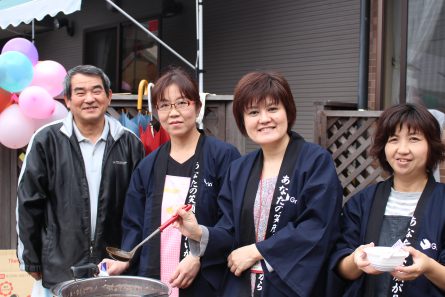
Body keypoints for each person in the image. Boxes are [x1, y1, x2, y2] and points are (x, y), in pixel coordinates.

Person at [174, 71, 343, 296]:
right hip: (242, 287)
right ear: (243, 120)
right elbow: (229, 229)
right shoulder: (239, 169)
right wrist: (199, 232)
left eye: (272, 109)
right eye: (253, 112)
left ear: (288, 111)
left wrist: (257, 251)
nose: (264, 119)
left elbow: (317, 226)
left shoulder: (315, 161)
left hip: (289, 288)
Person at [101, 67, 240, 297]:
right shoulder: (148, 165)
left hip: (204, 281)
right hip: (154, 276)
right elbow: (134, 224)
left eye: (182, 103)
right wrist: (125, 259)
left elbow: (232, 221)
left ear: (197, 106)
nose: (173, 112)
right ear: (157, 111)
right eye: (164, 105)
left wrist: (198, 257)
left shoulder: (223, 157)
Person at [16, 65, 145, 290]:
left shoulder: (129, 143)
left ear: (109, 96)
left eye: (96, 91)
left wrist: (128, 258)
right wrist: (31, 258)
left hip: (112, 270)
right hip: (60, 267)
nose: (89, 99)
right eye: (80, 92)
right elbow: (28, 202)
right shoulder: (46, 140)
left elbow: (139, 208)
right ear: (67, 100)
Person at [331, 103, 445, 296]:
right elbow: (340, 267)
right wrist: (356, 260)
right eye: (393, 139)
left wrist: (429, 267)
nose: (402, 149)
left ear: (431, 146)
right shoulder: (362, 202)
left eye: (414, 139)